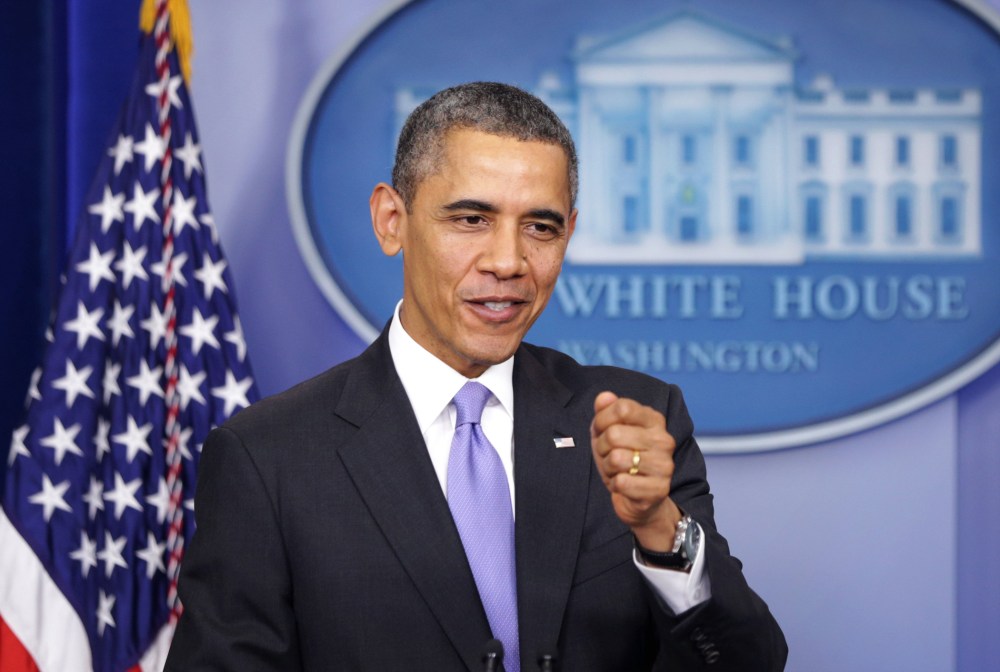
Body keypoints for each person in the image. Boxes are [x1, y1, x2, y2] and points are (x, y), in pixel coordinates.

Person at [165, 82, 786, 671]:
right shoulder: (268, 458)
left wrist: (659, 529)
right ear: (391, 220)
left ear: (568, 234)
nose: (509, 262)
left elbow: (747, 662)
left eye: (540, 227)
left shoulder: (637, 422)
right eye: (471, 220)